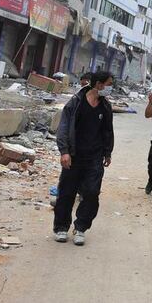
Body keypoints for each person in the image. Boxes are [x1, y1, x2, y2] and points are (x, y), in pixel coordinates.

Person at [53, 71, 114, 246]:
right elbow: (64, 127)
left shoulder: (105, 107)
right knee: (66, 192)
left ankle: (80, 228)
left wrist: (108, 152)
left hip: (94, 157)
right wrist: (64, 151)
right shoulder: (76, 103)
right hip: (73, 155)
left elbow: (107, 131)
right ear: (99, 84)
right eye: (109, 84)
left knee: (92, 193)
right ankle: (61, 227)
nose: (110, 87)